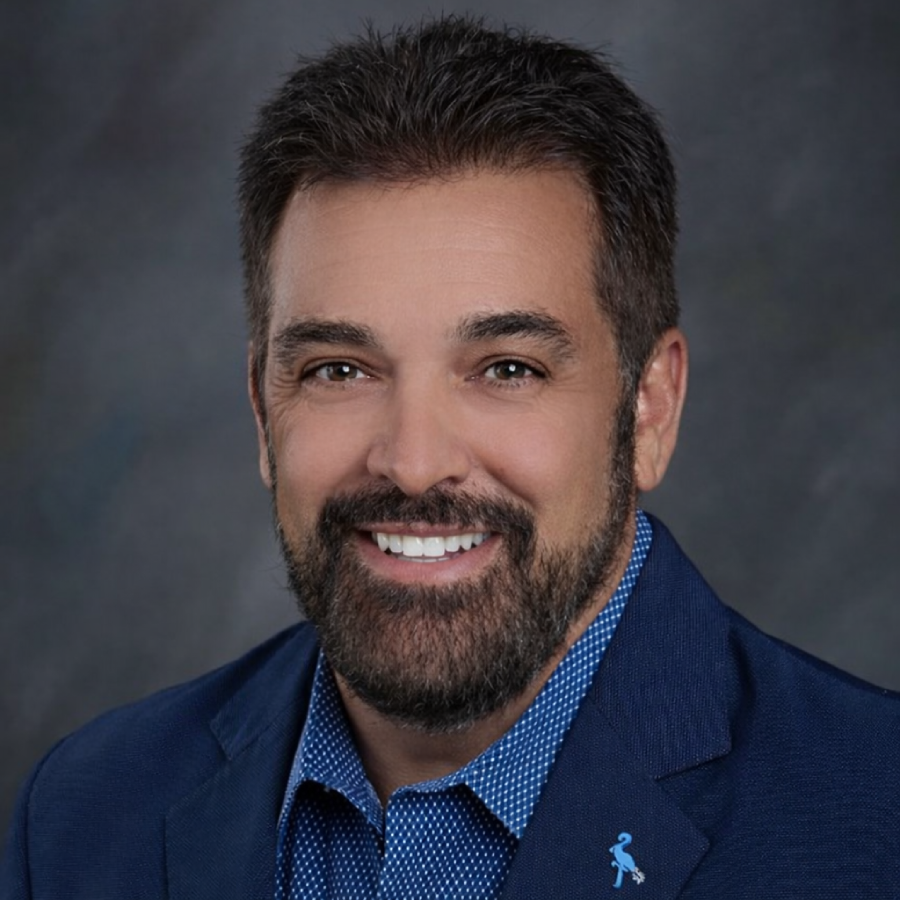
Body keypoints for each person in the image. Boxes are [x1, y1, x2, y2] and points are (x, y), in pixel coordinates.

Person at [3, 15, 899, 900]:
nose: (415, 462)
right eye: (339, 369)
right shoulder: (87, 814)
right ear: (261, 411)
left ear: (649, 408)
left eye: (507, 368)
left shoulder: (873, 823)